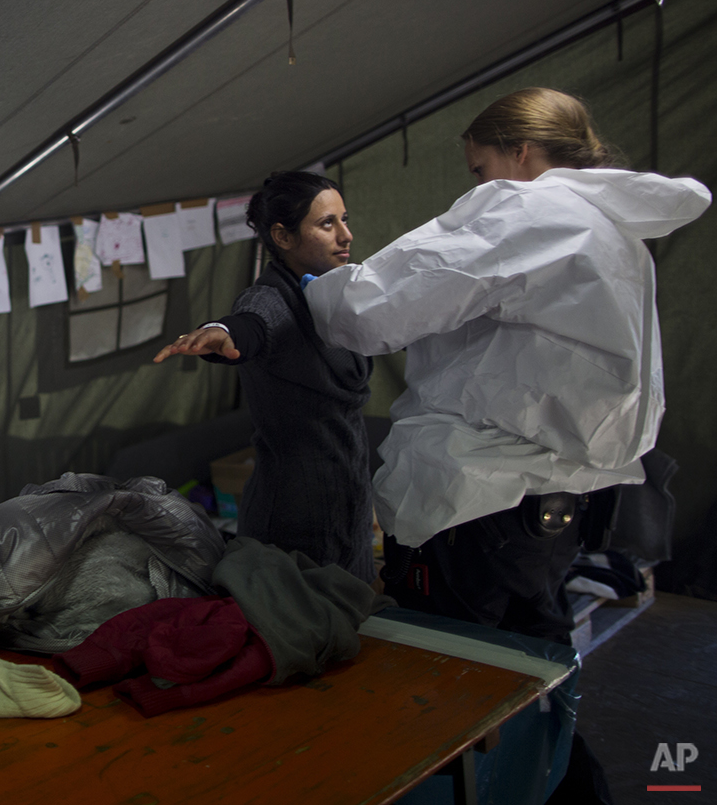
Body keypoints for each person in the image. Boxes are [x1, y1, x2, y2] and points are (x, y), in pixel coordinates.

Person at [303, 88, 711, 643]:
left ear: (521, 151)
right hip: (562, 496)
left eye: (481, 168)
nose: (479, 185)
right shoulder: (613, 229)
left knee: (450, 662)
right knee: (533, 654)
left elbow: (372, 311)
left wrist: (319, 292)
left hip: (483, 494)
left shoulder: (523, 210)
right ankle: (549, 732)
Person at [154, 172, 375, 582]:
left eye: (345, 219)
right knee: (301, 626)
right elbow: (252, 323)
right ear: (283, 236)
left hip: (348, 499)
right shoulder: (272, 296)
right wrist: (221, 332)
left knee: (353, 621)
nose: (345, 235)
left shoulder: (335, 293)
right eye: (327, 224)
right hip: (295, 509)